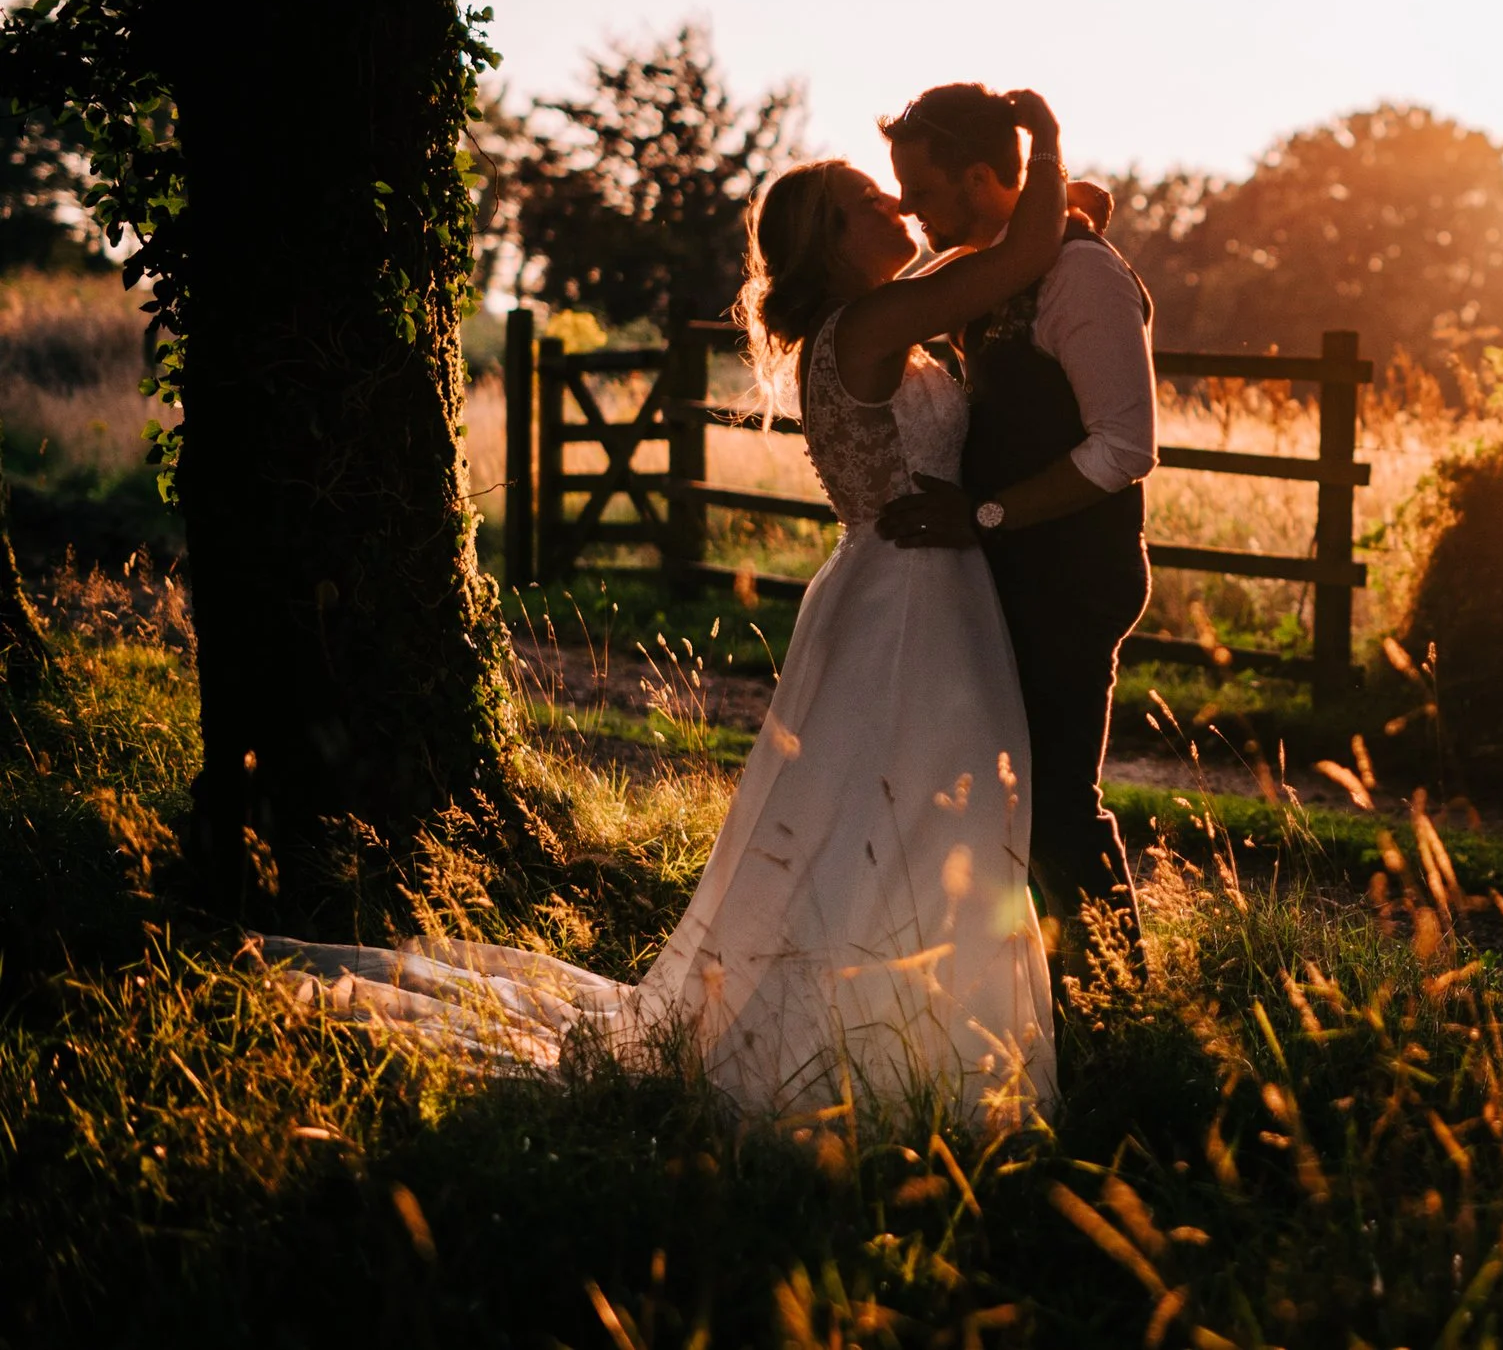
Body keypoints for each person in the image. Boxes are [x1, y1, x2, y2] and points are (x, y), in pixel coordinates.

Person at [261, 92, 1078, 1126]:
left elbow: (985, 258)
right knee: (900, 808)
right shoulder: (871, 321)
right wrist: (1045, 135)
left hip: (905, 589)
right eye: (873, 198)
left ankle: (911, 1030)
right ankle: (865, 1050)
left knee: (900, 812)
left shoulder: (875, 312)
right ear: (831, 240)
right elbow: (1021, 252)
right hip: (911, 605)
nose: (898, 206)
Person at [874, 83, 1157, 982]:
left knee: (1058, 800)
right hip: (1004, 568)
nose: (910, 211)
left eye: (921, 191)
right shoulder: (996, 260)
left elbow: (1123, 447)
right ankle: (1028, 989)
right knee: (1008, 796)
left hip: (1072, 576)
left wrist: (985, 516)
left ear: (981, 175)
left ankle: (1113, 991)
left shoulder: (1082, 276)